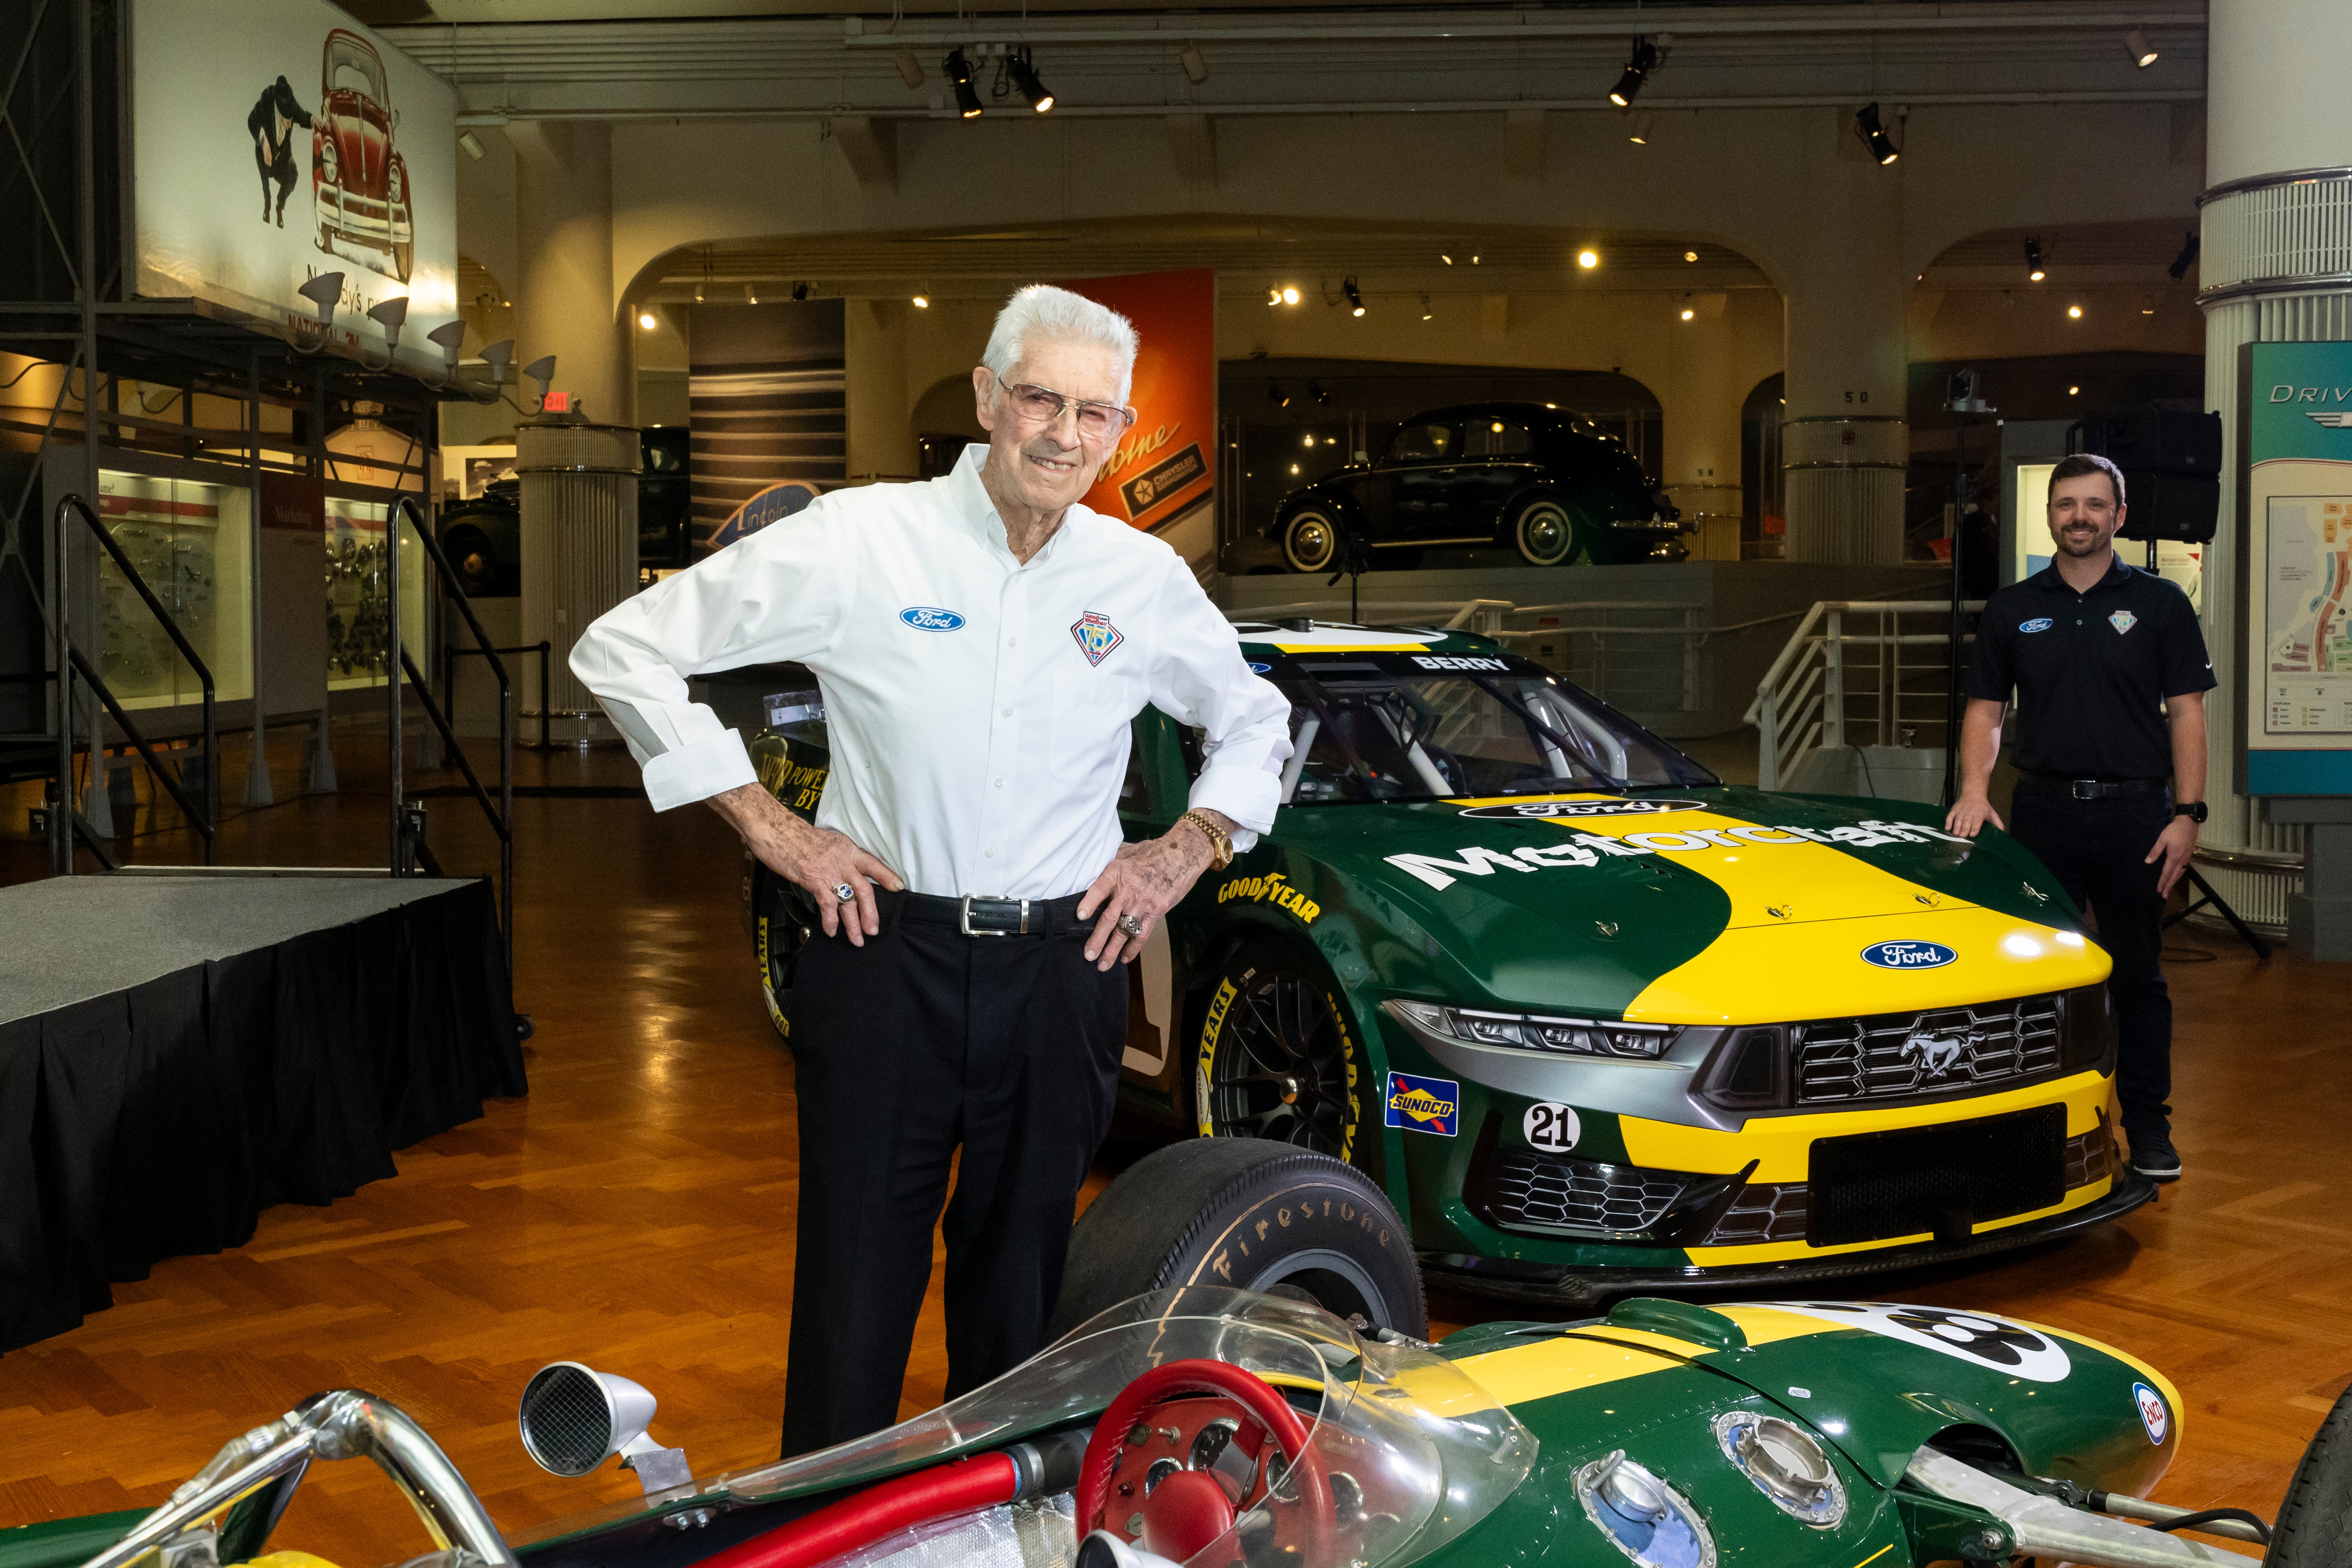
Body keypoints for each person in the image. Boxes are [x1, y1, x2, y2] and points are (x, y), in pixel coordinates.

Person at [570, 284, 1294, 1457]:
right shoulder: (864, 539)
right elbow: (622, 649)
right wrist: (771, 827)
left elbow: (1254, 718)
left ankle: (991, 1536)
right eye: (1041, 400)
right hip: (882, 959)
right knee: (854, 1297)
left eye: (1095, 413)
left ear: (1119, 433)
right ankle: (826, 1531)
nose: (1064, 433)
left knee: (1020, 1310)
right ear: (985, 398)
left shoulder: (1139, 576)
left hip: (1064, 971)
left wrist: (1188, 846)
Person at [1945, 452, 2214, 1184]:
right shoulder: (2011, 606)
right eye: (2067, 505)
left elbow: (2188, 713)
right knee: (2034, 988)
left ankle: (2149, 1129)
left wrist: (2188, 814)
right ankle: (2029, 1134)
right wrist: (1975, 790)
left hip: (2137, 818)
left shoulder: (2161, 604)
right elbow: (1986, 711)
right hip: (2041, 818)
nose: (2080, 517)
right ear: (2050, 514)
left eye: (2095, 505)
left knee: (2139, 979)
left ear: (2119, 516)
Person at [247, 76, 312, 228]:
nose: (290, 123)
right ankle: (268, 203)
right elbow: (252, 120)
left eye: (291, 119)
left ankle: (279, 205)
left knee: (293, 171)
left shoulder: (291, 105)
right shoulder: (267, 101)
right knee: (266, 183)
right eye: (286, 119)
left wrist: (314, 120)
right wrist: (262, 139)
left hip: (282, 160)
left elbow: (303, 117)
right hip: (266, 157)